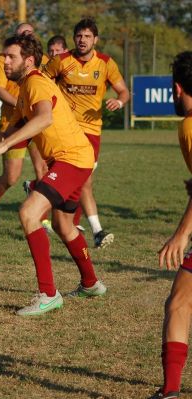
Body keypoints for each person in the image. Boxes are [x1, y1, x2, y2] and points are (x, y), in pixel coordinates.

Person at [0, 34, 106, 316]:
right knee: (63, 225)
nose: (4, 61)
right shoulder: (25, 90)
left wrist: (5, 145)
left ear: (29, 60)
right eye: (4, 56)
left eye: (11, 56)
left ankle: (48, 293)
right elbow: (6, 135)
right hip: (75, 158)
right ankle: (91, 283)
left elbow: (44, 118)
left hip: (71, 159)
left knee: (28, 213)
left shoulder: (35, 82)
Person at [43, 18, 130, 248]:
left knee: (81, 181)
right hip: (64, 129)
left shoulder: (105, 63)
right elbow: (41, 83)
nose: (82, 40)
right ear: (74, 39)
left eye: (87, 36)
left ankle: (39, 191)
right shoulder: (61, 61)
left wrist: (119, 103)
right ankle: (96, 231)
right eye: (79, 36)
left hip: (91, 132)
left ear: (95, 40)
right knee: (84, 180)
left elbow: (123, 92)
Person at [150, 51, 192, 399]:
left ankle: (171, 391)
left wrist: (181, 234)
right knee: (179, 301)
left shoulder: (190, 125)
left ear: (176, 89)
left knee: (178, 304)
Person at [0, 23, 49, 230]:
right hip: (13, 122)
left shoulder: (42, 61)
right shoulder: (4, 58)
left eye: (29, 34)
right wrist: (22, 106)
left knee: (43, 170)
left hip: (35, 121)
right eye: (21, 34)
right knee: (11, 176)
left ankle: (41, 215)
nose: (25, 37)